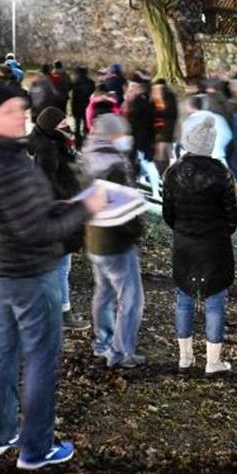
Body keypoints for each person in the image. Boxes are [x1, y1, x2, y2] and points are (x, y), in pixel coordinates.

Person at [0, 82, 105, 470]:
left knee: (6, 351)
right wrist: (85, 207)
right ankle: (36, 448)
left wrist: (58, 205)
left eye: (20, 108)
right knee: (41, 358)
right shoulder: (9, 165)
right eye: (10, 110)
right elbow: (38, 229)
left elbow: (19, 215)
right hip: (28, 271)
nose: (20, 115)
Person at [162, 114, 237, 375]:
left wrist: (184, 229)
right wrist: (219, 230)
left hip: (184, 244)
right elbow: (232, 217)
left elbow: (168, 214)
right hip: (215, 246)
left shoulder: (172, 174)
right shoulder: (222, 175)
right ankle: (213, 361)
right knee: (215, 301)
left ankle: (185, 358)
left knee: (184, 298)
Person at [80, 114, 147, 368]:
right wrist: (135, 232)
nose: (125, 139)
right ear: (111, 136)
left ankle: (102, 343)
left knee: (104, 293)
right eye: (121, 134)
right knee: (131, 299)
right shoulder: (114, 167)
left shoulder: (88, 158)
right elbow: (124, 210)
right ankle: (121, 353)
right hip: (116, 242)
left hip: (94, 237)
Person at [27, 106, 91, 331]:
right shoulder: (47, 151)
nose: (68, 127)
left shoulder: (53, 145)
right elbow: (49, 186)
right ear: (52, 128)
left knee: (57, 265)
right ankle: (61, 312)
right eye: (63, 125)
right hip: (56, 214)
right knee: (61, 265)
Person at [151, 80, 179, 173]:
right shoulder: (151, 98)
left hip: (165, 130)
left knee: (162, 152)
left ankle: (164, 172)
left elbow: (171, 113)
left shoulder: (169, 98)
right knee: (159, 152)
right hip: (155, 130)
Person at [71, 66, 95, 147]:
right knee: (86, 125)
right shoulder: (91, 82)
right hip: (87, 106)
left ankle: (77, 142)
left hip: (76, 106)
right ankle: (86, 141)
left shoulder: (75, 82)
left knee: (77, 125)